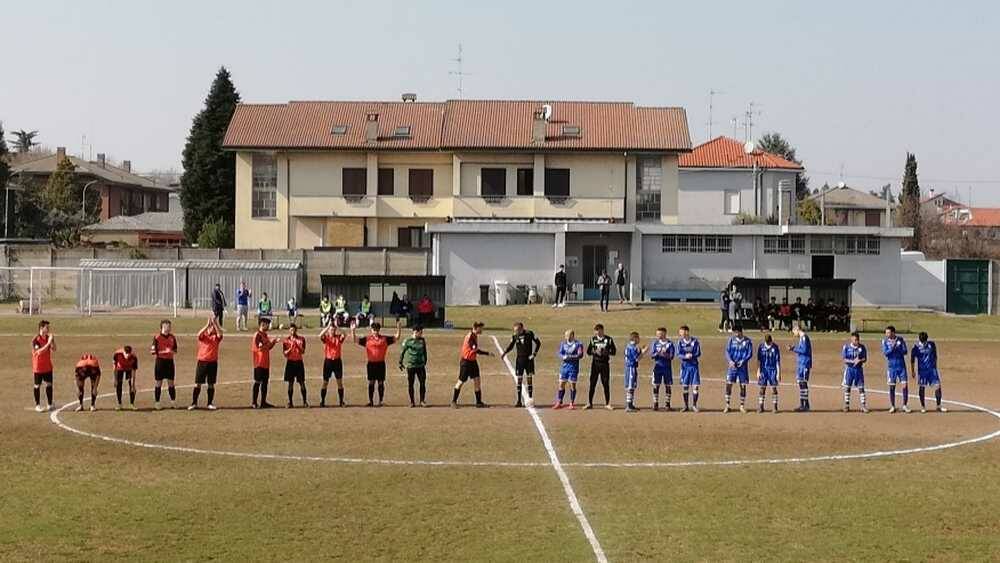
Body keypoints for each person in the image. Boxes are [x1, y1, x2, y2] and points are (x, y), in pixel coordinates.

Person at [353, 319, 402, 407]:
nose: (375, 332)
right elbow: (355, 340)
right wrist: (352, 330)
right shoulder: (367, 339)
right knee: (371, 382)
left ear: (379, 330)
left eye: (376, 330)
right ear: (371, 330)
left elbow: (397, 337)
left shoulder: (384, 339)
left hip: (380, 364)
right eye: (373, 330)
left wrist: (399, 328)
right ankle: (371, 401)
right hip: (371, 364)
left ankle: (380, 401)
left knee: (380, 383)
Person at [501, 322, 541, 408]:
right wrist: (504, 353)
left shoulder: (530, 334)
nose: (515, 332)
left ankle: (530, 399)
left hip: (529, 360)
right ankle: (519, 401)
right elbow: (511, 346)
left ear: (521, 329)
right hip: (519, 360)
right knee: (519, 379)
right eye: (514, 330)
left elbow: (538, 343)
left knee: (529, 379)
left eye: (517, 330)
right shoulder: (515, 336)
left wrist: (534, 354)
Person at [453, 321, 490, 408]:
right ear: (476, 328)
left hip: (473, 361)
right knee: (461, 382)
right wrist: (487, 353)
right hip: (466, 362)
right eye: (481, 328)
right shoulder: (470, 337)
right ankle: (453, 401)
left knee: (477, 380)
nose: (482, 330)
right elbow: (475, 349)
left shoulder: (474, 336)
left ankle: (478, 402)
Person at [190, 315, 223, 411]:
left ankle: (210, 403)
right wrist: (207, 325)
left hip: (212, 362)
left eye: (212, 327)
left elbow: (220, 334)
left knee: (211, 384)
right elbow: (198, 334)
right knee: (198, 383)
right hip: (202, 362)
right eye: (211, 327)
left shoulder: (216, 337)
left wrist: (216, 324)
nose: (211, 328)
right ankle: (194, 403)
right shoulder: (203, 336)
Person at [910, 332, 947, 413]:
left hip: (932, 370)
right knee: (922, 387)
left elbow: (935, 355)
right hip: (922, 371)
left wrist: (935, 366)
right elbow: (912, 360)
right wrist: (913, 371)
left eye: (925, 341)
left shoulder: (931, 345)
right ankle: (923, 406)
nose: (924, 343)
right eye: (922, 341)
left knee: (937, 386)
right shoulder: (916, 347)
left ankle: (938, 405)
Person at [723, 324, 753, 414]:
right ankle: (727, 405)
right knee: (729, 384)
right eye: (734, 332)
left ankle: (742, 406)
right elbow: (727, 351)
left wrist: (743, 361)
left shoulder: (748, 341)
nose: (735, 334)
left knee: (743, 386)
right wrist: (730, 361)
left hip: (742, 367)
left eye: (736, 332)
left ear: (740, 331)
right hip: (732, 367)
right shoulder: (731, 340)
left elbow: (749, 353)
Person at [585, 323, 616, 410]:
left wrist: (605, 352)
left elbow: (614, 351)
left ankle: (607, 403)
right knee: (592, 383)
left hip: (605, 364)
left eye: (598, 331)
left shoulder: (609, 339)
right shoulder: (593, 339)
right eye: (595, 331)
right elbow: (588, 352)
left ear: (602, 330)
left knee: (605, 383)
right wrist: (595, 352)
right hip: (595, 364)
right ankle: (589, 403)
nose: (597, 333)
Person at [150, 319, 178, 410]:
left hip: (170, 362)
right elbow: (153, 351)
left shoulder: (172, 337)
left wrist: (171, 351)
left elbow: (175, 350)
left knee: (171, 382)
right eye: (167, 326)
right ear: (162, 327)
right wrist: (164, 351)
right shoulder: (157, 337)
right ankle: (157, 402)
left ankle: (173, 402)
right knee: (159, 382)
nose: (169, 328)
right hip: (160, 362)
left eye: (169, 326)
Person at [552, 329, 584, 410]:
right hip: (564, 368)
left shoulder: (578, 344)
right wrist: (563, 356)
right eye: (565, 335)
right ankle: (559, 402)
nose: (566, 337)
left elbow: (580, 355)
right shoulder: (563, 344)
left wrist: (570, 357)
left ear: (572, 335)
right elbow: (559, 353)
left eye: (568, 335)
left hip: (573, 368)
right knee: (561, 384)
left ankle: (571, 403)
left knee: (572, 385)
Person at [882, 325, 910, 413]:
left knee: (904, 386)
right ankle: (892, 406)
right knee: (892, 386)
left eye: (888, 332)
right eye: (886, 333)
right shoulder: (885, 341)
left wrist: (898, 349)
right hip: (891, 368)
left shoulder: (900, 340)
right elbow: (886, 353)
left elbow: (905, 351)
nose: (886, 334)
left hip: (901, 366)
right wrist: (893, 347)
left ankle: (905, 405)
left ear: (893, 332)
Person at [251, 317, 278, 409]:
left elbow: (268, 347)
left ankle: (263, 402)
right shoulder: (257, 335)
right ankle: (254, 402)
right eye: (267, 324)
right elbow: (260, 347)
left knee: (265, 383)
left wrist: (273, 342)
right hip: (259, 363)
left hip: (266, 363)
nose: (268, 326)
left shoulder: (265, 335)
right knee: (257, 382)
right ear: (262, 324)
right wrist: (267, 344)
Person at [399, 325, 429, 407]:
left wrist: (425, 360)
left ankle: (422, 400)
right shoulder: (408, 341)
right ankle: (412, 402)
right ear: (415, 332)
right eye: (420, 332)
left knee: (422, 383)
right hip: (411, 366)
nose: (421, 334)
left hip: (420, 366)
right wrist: (400, 362)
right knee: (411, 384)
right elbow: (402, 352)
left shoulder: (422, 340)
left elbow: (425, 351)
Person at [319, 323, 347, 407]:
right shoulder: (326, 338)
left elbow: (345, 334)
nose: (332, 331)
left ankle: (341, 401)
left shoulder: (338, 337)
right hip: (328, 362)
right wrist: (327, 327)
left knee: (339, 382)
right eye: (331, 330)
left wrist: (337, 326)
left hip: (337, 362)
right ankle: (322, 401)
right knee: (325, 382)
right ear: (328, 330)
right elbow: (320, 335)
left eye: (333, 330)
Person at [31, 320, 56, 412]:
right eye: (47, 327)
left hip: (48, 366)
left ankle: (49, 404)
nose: (48, 329)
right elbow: (39, 352)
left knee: (49, 384)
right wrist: (48, 343)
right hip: (38, 367)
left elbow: (54, 349)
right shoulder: (35, 340)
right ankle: (37, 405)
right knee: (37, 385)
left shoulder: (48, 338)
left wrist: (52, 341)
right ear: (41, 328)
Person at [842, 331, 870, 413]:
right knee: (847, 387)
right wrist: (852, 361)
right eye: (854, 340)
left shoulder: (862, 347)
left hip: (858, 370)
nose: (856, 341)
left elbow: (865, 359)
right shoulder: (846, 347)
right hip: (849, 370)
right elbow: (844, 359)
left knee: (861, 388)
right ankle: (847, 405)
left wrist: (860, 360)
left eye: (857, 340)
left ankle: (863, 406)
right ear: (851, 339)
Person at [649, 327, 675, 411]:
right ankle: (655, 404)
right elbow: (652, 355)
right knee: (656, 385)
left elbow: (672, 356)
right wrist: (658, 353)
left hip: (667, 367)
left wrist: (665, 354)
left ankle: (667, 404)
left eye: (660, 334)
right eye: (657, 334)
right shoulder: (655, 343)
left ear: (664, 334)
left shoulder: (670, 343)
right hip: (657, 367)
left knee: (668, 385)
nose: (658, 335)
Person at [282, 323, 308, 408]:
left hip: (299, 363)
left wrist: (297, 346)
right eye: (291, 330)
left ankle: (304, 402)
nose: (292, 331)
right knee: (290, 383)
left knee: (302, 382)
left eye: (293, 330)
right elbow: (285, 353)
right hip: (290, 363)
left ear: (296, 330)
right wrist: (290, 348)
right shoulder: (286, 340)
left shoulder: (301, 339)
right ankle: (290, 402)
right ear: (289, 331)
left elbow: (303, 351)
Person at [677, 325, 702, 412]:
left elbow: (698, 353)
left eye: (682, 332)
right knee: (685, 387)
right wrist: (684, 356)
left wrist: (692, 355)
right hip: (685, 367)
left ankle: (694, 405)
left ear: (687, 332)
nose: (681, 334)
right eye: (680, 333)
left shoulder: (695, 341)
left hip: (694, 367)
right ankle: (686, 406)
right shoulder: (680, 342)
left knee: (695, 387)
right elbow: (678, 354)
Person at [789, 323, 813, 411]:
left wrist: (793, 349)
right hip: (801, 364)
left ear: (797, 329)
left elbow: (804, 350)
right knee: (801, 383)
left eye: (793, 332)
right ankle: (803, 404)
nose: (794, 334)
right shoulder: (802, 338)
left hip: (804, 363)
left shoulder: (804, 338)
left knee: (803, 383)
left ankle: (805, 405)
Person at [757, 333, 781, 413]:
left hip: (773, 370)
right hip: (764, 370)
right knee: (762, 388)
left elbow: (777, 361)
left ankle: (775, 407)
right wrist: (758, 371)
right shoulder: (761, 347)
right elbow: (759, 360)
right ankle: (761, 406)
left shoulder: (775, 347)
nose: (769, 344)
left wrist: (778, 373)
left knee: (773, 388)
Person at [623, 332, 645, 413]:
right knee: (630, 386)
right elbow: (637, 359)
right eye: (638, 338)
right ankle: (628, 405)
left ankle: (631, 404)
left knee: (632, 386)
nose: (639, 339)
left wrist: (641, 350)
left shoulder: (631, 346)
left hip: (631, 368)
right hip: (631, 368)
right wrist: (643, 352)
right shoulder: (632, 347)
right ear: (635, 338)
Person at [112, 345, 139, 411]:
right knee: (119, 385)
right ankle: (119, 404)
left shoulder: (134, 357)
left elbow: (133, 371)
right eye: (126, 353)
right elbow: (114, 367)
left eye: (128, 353)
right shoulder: (117, 354)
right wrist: (115, 379)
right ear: (123, 351)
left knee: (131, 386)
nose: (127, 355)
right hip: (120, 368)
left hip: (129, 369)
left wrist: (133, 384)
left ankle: (132, 404)